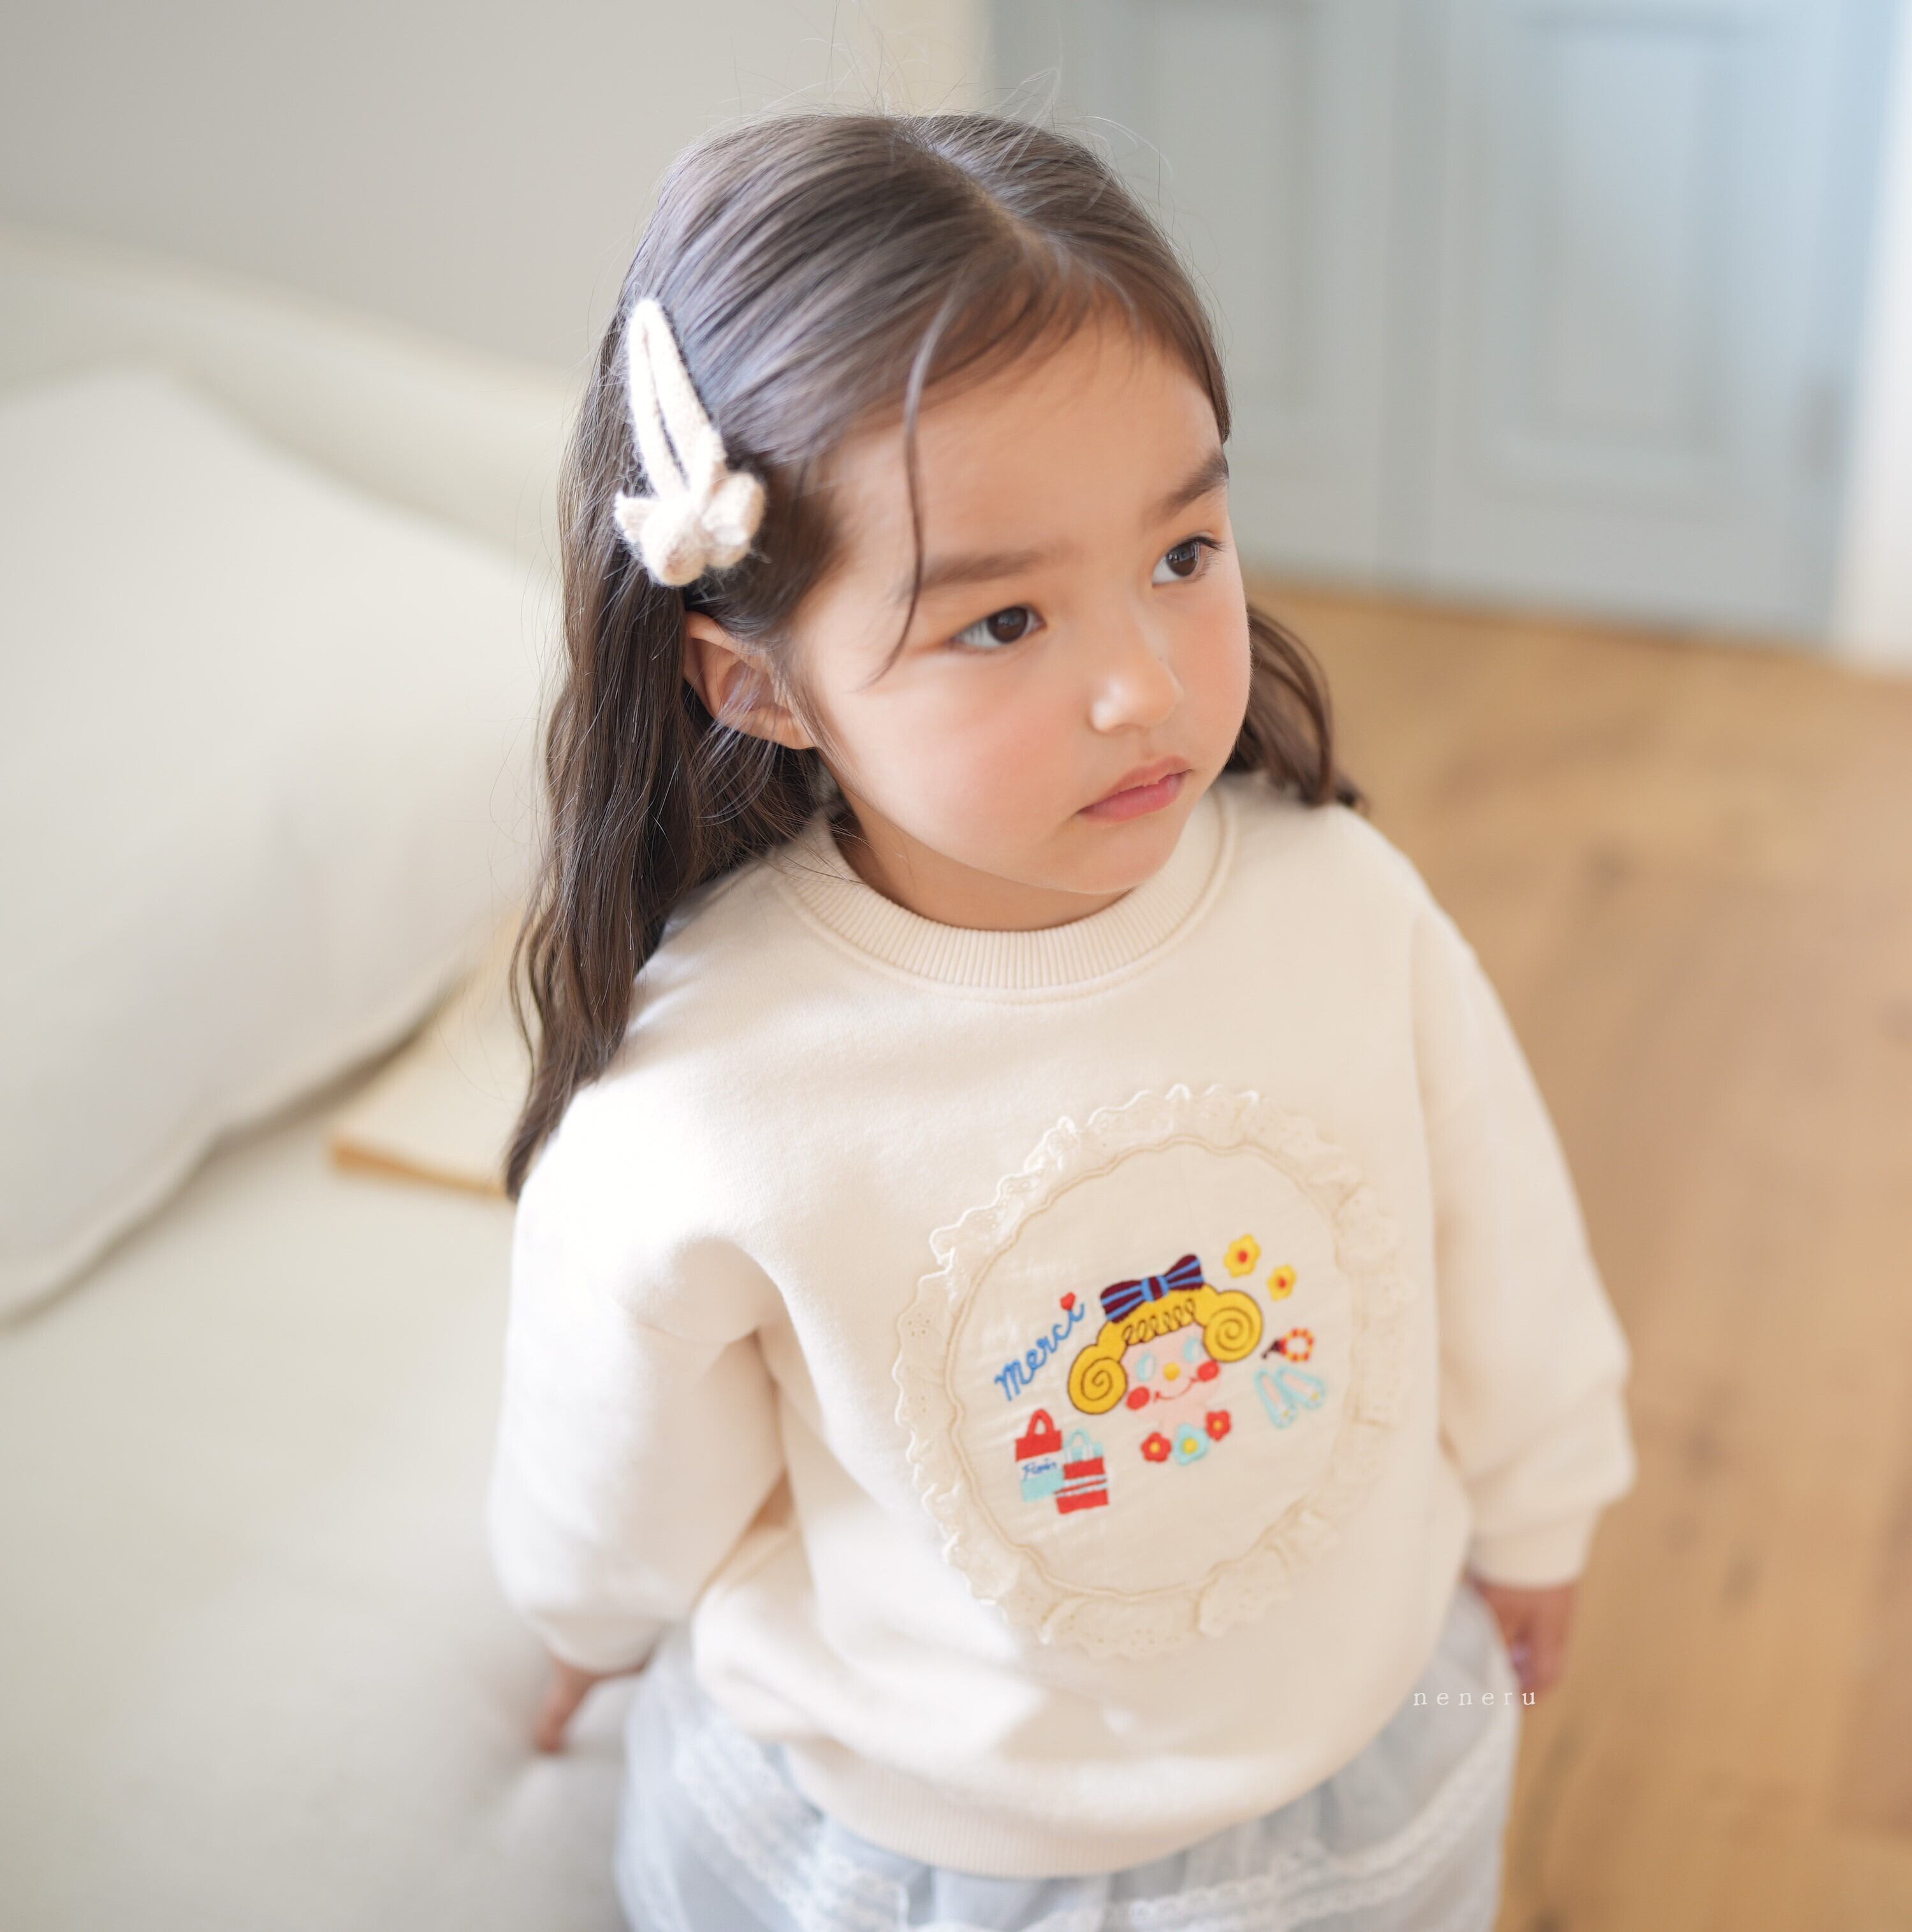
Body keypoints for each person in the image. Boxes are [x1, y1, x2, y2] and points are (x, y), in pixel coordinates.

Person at [486, 107, 1637, 1931]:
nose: (1145, 685)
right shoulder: (709, 1092)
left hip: (1353, 1774)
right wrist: (588, 1630)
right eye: (1006, 622)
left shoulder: (1344, 909)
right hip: (907, 1845)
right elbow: (613, 1454)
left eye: (1183, 554)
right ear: (761, 685)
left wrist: (1542, 1508)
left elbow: (1505, 1244)